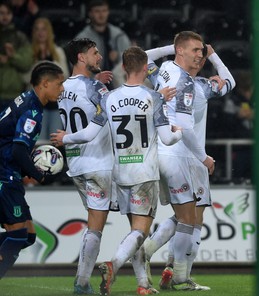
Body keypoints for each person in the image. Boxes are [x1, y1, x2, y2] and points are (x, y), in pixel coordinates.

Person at [142, 42, 235, 291]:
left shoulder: (162, 72)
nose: (200, 57)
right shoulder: (200, 86)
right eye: (196, 51)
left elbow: (143, 57)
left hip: (163, 152)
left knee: (188, 216)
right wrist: (215, 56)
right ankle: (176, 272)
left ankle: (170, 266)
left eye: (202, 54)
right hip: (186, 157)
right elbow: (229, 81)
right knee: (192, 219)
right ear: (182, 51)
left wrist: (172, 48)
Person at [97, 46, 182, 296]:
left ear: (123, 68)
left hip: (121, 173)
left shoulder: (109, 98)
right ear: (146, 68)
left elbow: (92, 133)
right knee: (140, 231)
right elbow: (166, 139)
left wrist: (68, 139)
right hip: (144, 173)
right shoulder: (153, 98)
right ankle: (112, 265)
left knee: (135, 233)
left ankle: (143, 284)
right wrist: (179, 132)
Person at [56, 38, 113, 294]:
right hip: (99, 163)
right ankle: (82, 283)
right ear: (81, 57)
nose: (99, 56)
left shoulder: (62, 87)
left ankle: (83, 280)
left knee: (93, 222)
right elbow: (112, 112)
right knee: (96, 226)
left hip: (76, 163)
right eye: (94, 53)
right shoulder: (94, 88)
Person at [0, 61, 64, 278]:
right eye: (59, 84)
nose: (62, 89)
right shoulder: (32, 110)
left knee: (27, 236)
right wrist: (38, 174)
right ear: (45, 83)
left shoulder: (26, 99)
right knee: (17, 236)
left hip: (9, 172)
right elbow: (18, 151)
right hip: (4, 174)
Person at [22, 17, 69, 141]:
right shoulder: (28, 53)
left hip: (55, 106)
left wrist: (42, 66)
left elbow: (65, 75)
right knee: (36, 142)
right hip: (35, 106)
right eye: (37, 29)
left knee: (54, 142)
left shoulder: (58, 52)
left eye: (43, 29)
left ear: (49, 32)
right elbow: (25, 78)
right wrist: (41, 65)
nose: (40, 32)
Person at [75, 0, 130, 88]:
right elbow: (76, 65)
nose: (101, 15)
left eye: (104, 11)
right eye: (97, 11)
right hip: (92, 84)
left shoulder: (119, 35)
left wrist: (118, 56)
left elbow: (131, 60)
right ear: (90, 13)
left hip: (118, 83)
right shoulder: (82, 38)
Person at [0, 0, 33, 112]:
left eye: (7, 13)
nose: (4, 16)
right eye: (1, 13)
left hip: (13, 95)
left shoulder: (20, 37)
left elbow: (26, 63)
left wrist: (12, 56)